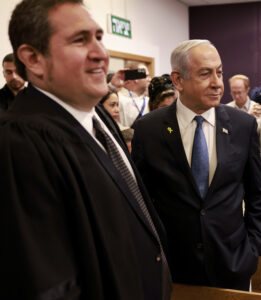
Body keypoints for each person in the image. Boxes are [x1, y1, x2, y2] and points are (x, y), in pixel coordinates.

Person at [1, 0, 171, 299]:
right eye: (80, 40)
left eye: (99, 38)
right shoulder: (21, 142)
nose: (101, 54)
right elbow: (49, 284)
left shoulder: (97, 114)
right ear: (33, 58)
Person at [131, 39, 261, 290]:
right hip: (172, 268)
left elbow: (257, 195)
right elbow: (140, 202)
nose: (217, 83)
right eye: (205, 74)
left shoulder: (243, 125)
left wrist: (252, 250)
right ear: (178, 80)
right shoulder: (148, 129)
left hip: (233, 265)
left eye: (219, 72)